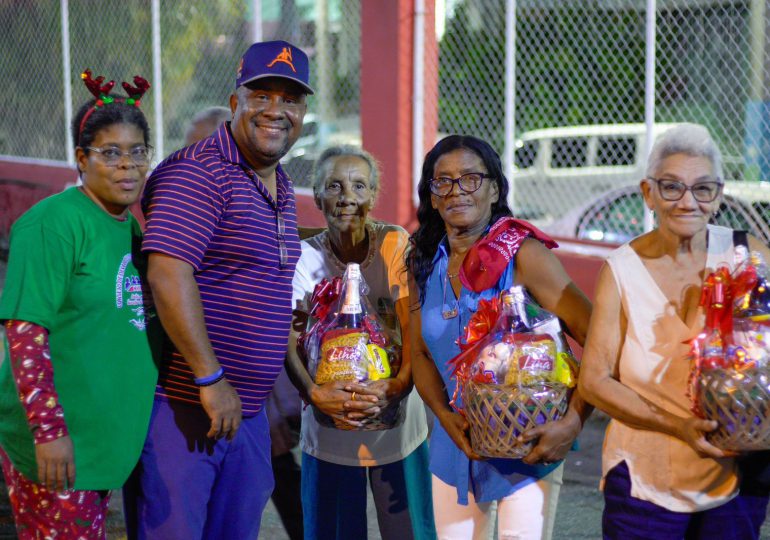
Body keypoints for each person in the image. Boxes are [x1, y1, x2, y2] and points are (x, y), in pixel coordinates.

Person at [124, 40, 312, 540]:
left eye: (289, 99)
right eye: (262, 95)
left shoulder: (280, 184)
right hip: (188, 405)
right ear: (236, 101)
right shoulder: (199, 172)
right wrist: (210, 379)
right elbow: (168, 273)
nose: (275, 110)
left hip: (246, 413)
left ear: (304, 112)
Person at [578, 123, 770, 539]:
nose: (688, 202)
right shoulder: (621, 270)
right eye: (671, 187)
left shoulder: (748, 255)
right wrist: (677, 425)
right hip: (645, 477)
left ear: (718, 196)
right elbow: (594, 382)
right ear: (648, 193)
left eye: (702, 189)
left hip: (736, 474)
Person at [405, 134, 593, 540]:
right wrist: (444, 418)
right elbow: (419, 353)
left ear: (494, 188)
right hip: (453, 446)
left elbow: (597, 339)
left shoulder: (523, 255)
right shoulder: (423, 262)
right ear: (433, 197)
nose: (458, 191)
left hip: (528, 447)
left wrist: (574, 422)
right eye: (445, 182)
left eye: (471, 178)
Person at [0, 69, 158, 539]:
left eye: (137, 152)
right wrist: (49, 435)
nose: (127, 165)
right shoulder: (53, 224)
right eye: (111, 153)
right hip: (61, 448)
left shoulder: (128, 227)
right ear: (81, 158)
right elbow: (25, 334)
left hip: (102, 442)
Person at [285, 145, 435, 540]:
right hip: (329, 422)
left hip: (396, 422)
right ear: (316, 196)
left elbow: (412, 324)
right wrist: (314, 391)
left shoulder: (393, 243)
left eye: (358, 186)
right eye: (333, 186)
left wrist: (399, 386)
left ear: (373, 194)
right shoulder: (304, 257)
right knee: (332, 531)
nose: (347, 197)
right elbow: (288, 338)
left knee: (409, 530)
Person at [181, 103, 306, 540]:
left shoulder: (277, 192)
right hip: (195, 396)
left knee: (257, 500)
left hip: (255, 400)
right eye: (200, 146)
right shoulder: (186, 193)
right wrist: (210, 377)